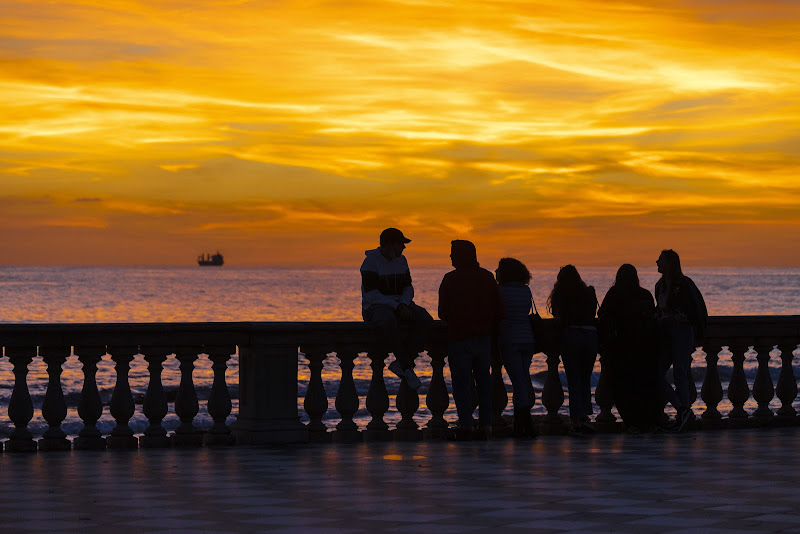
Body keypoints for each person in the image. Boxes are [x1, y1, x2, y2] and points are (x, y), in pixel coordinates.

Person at [438, 240, 504, 440]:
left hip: (459, 338)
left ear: (460, 256)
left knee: (461, 384)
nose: (450, 257)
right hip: (483, 338)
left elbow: (442, 313)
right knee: (484, 383)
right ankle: (486, 426)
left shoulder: (450, 279)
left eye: (452, 253)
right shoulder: (487, 277)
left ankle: (466, 426)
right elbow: (499, 309)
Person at [361, 227, 433, 390]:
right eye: (401, 244)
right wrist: (397, 306)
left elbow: (408, 288)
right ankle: (407, 367)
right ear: (390, 245)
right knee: (388, 321)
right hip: (375, 307)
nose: (404, 247)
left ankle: (401, 362)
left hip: (400, 304)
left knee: (426, 320)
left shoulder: (402, 261)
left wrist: (404, 304)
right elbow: (372, 295)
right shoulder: (370, 262)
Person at [598, 264, 660, 433]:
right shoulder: (645, 295)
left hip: (622, 347)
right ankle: (649, 422)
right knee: (645, 386)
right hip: (645, 347)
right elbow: (654, 318)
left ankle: (632, 423)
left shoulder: (614, 294)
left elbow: (603, 315)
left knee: (623, 387)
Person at [655, 249, 707, 433]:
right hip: (666, 334)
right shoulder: (659, 286)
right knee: (656, 372)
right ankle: (683, 409)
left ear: (670, 264)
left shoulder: (684, 284)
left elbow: (697, 310)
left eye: (660, 260)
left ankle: (683, 414)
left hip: (682, 333)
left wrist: (681, 320)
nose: (657, 262)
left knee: (680, 372)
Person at [547, 265, 598, 435]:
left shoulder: (561, 294)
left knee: (574, 380)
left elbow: (557, 316)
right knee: (585, 379)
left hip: (571, 335)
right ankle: (585, 417)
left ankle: (577, 420)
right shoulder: (588, 292)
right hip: (590, 336)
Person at [495, 257, 537, 438]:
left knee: (518, 383)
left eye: (498, 269)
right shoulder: (526, 291)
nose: (495, 272)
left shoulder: (500, 291)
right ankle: (523, 424)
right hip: (527, 339)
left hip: (510, 340)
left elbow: (497, 313)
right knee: (522, 380)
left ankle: (523, 425)